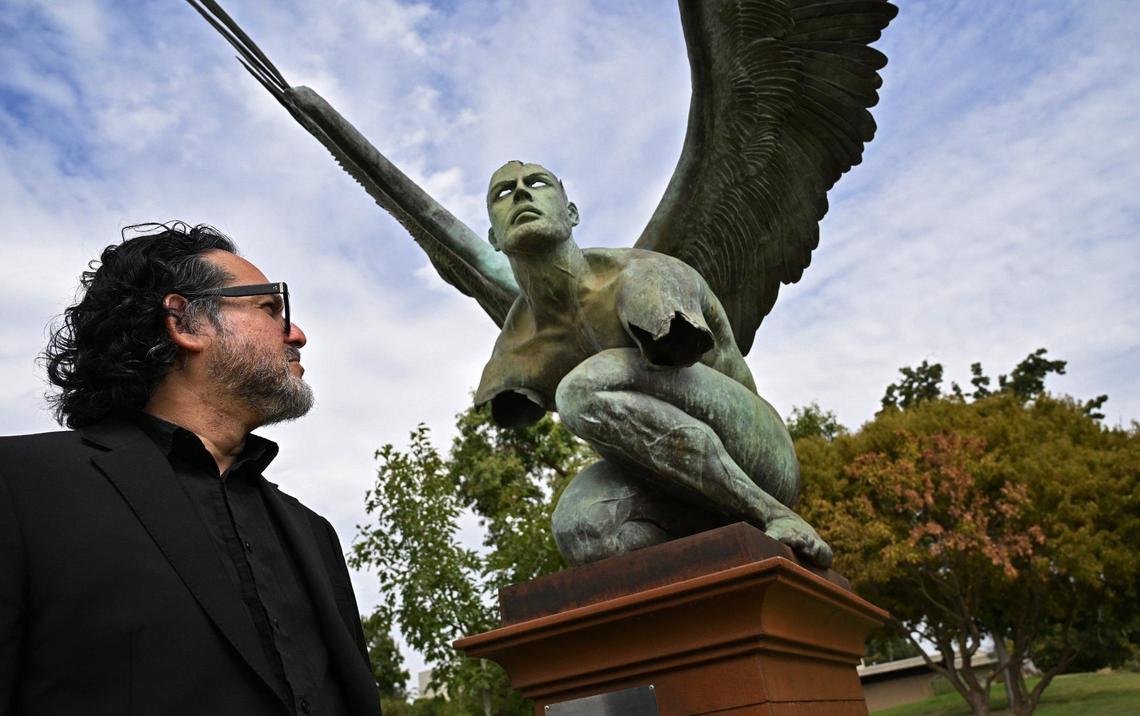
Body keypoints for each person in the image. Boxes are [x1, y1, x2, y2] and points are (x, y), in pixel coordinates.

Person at [0, 223, 380, 715]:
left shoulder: (315, 534)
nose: (298, 334)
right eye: (270, 308)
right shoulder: (20, 488)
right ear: (185, 323)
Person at [475, 161, 833, 568]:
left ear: (571, 213)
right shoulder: (522, 336)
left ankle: (774, 515)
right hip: (666, 479)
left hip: (759, 458)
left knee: (580, 390)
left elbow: (671, 357)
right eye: (503, 193)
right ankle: (708, 596)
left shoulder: (641, 273)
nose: (521, 194)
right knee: (582, 530)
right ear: (494, 238)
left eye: (536, 184)